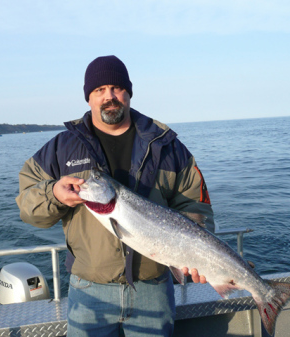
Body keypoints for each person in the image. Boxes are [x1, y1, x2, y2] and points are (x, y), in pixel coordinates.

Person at [16, 55, 215, 336]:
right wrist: (54, 195)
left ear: (128, 92)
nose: (109, 97)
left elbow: (197, 206)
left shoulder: (166, 145)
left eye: (116, 88)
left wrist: (199, 254)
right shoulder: (61, 147)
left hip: (154, 288)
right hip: (89, 291)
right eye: (99, 90)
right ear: (88, 98)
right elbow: (26, 204)